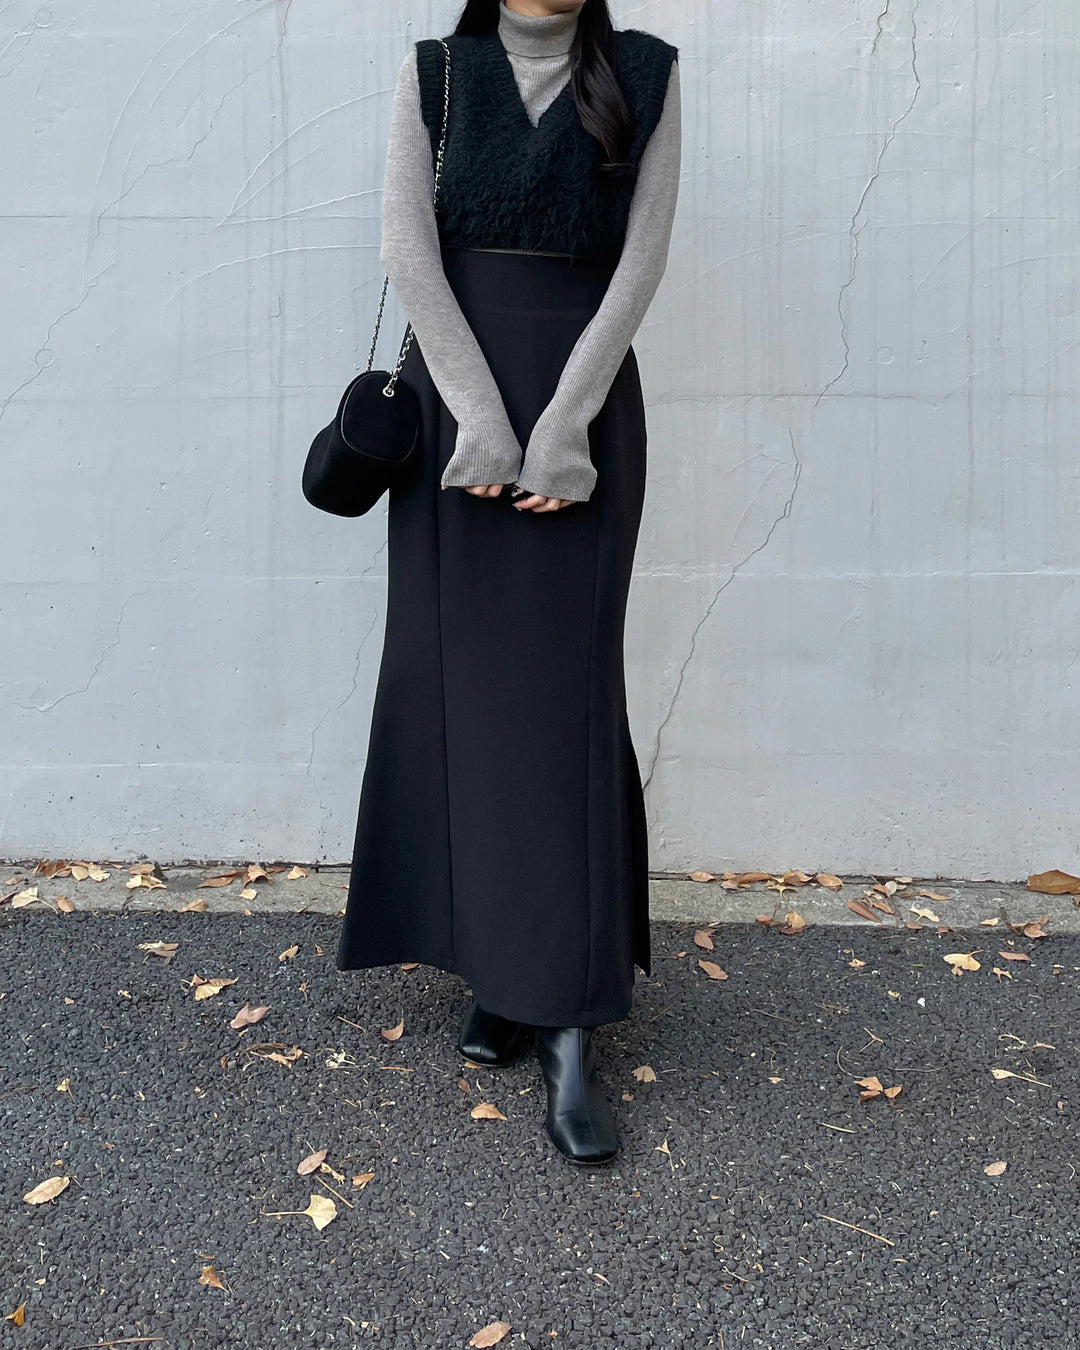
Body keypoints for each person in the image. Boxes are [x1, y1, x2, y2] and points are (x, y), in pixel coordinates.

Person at [335, 0, 681, 1167]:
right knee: (463, 702)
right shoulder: (437, 73)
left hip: (585, 418)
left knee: (562, 712)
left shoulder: (644, 74)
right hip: (458, 419)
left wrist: (566, 427)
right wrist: (480, 419)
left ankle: (570, 1018)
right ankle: (500, 975)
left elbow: (641, 261)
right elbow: (408, 250)